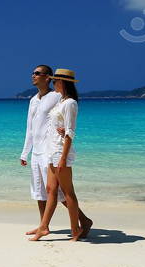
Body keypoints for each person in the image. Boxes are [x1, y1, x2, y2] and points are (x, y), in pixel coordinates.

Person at [20, 65, 92, 240]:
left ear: (48, 77)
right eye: (33, 73)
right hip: (37, 151)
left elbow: (69, 118)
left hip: (50, 150)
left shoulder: (57, 97)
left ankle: (81, 221)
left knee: (58, 192)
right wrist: (25, 152)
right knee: (40, 191)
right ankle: (43, 225)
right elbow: (30, 128)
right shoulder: (33, 100)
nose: (33, 76)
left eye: (37, 73)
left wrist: (63, 137)